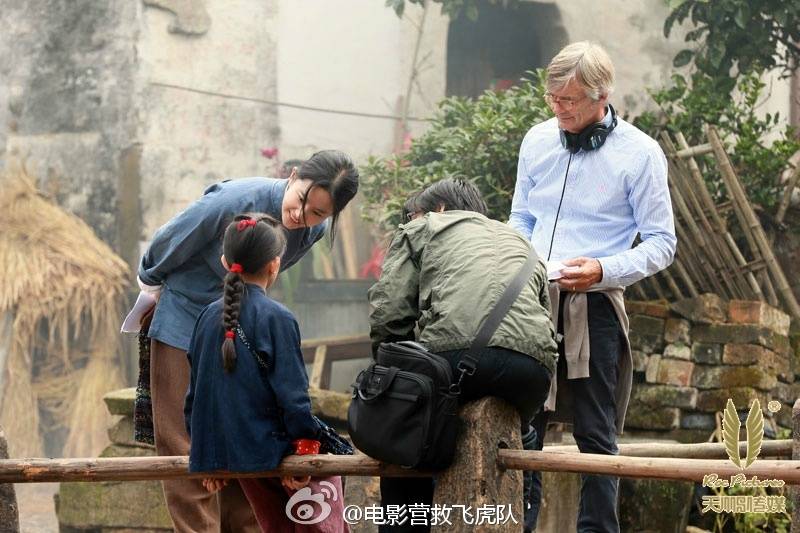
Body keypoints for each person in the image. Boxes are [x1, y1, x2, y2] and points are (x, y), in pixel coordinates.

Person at [136, 150, 358, 532]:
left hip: (243, 331)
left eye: (318, 213)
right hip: (186, 319)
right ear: (293, 177)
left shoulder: (311, 231)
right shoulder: (232, 201)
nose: (301, 216)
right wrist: (150, 287)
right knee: (183, 444)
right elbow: (166, 244)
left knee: (247, 436)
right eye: (300, 200)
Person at [509, 42, 676, 532]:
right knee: (523, 426)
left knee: (596, 433)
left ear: (603, 97)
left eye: (569, 100)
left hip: (596, 303)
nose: (558, 108)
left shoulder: (641, 154)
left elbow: (663, 243)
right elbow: (521, 216)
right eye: (552, 97)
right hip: (531, 301)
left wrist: (603, 270)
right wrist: (523, 259)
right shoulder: (536, 139)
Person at [368, 178, 558, 533]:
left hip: (454, 357)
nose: (410, 220)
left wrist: (392, 379)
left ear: (439, 208)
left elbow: (389, 313)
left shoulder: (425, 227)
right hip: (532, 368)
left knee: (405, 427)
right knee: (525, 436)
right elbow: (543, 317)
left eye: (413, 214)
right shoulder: (520, 241)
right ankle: (523, 526)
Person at [185, 213, 348, 533]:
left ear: (224, 261)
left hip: (231, 454)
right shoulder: (277, 317)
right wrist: (305, 451)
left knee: (277, 524)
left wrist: (208, 458)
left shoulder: (205, 317)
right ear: (275, 264)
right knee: (330, 483)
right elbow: (293, 396)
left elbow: (196, 395)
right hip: (273, 450)